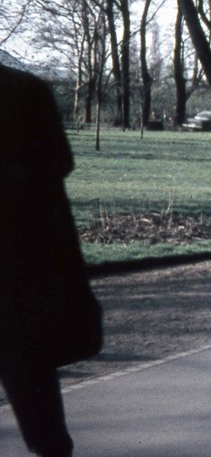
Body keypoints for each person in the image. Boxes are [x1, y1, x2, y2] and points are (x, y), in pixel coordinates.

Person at [1, 63, 103, 457]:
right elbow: (59, 163)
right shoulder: (26, 90)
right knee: (44, 425)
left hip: (20, 280)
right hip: (23, 279)